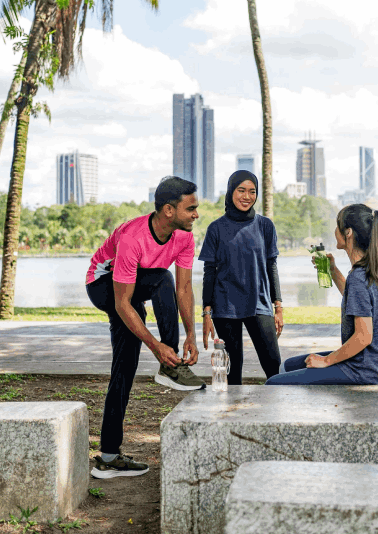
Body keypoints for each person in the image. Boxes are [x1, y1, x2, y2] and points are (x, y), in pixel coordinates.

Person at [86, 176, 204, 479]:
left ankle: (108, 457)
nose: (196, 214)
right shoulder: (133, 237)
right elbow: (122, 302)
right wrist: (157, 347)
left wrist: (191, 334)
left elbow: (184, 289)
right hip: (103, 285)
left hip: (136, 286)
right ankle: (169, 364)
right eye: (191, 208)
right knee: (159, 282)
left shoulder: (184, 236)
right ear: (168, 210)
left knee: (124, 366)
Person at [266, 204, 378, 386]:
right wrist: (333, 270)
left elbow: (364, 336)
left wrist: (326, 361)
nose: (335, 230)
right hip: (375, 366)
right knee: (287, 366)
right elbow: (356, 300)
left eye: (338, 225)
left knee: (273, 384)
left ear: (348, 233)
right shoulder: (374, 269)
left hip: (363, 370)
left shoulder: (359, 277)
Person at [199, 170, 284, 384]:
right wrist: (206, 313)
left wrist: (278, 306)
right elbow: (209, 272)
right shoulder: (216, 228)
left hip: (260, 304)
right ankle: (232, 415)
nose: (247, 196)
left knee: (275, 367)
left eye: (252, 191)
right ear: (231, 191)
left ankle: (279, 415)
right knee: (232, 372)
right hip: (226, 307)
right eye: (241, 190)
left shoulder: (265, 226)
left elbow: (271, 266)